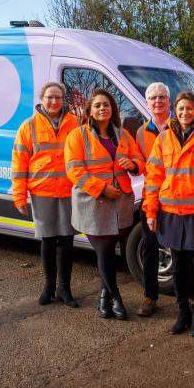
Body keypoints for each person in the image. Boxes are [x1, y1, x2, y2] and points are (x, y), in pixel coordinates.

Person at [143, 91, 194, 336]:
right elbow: (153, 178)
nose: (184, 113)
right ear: (174, 112)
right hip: (170, 212)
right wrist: (150, 210)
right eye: (180, 109)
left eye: (189, 108)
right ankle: (183, 313)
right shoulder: (163, 139)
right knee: (178, 267)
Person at [64, 88, 143, 320]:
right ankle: (116, 295)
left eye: (106, 105)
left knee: (108, 251)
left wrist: (134, 164)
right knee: (104, 250)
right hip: (93, 202)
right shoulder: (77, 136)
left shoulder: (122, 134)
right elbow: (74, 169)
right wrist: (101, 188)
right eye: (97, 105)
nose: (102, 109)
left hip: (120, 202)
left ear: (112, 109)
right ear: (90, 109)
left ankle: (103, 298)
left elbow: (139, 158)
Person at [12, 82, 80, 307]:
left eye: (58, 97)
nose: (54, 102)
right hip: (42, 191)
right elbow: (19, 164)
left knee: (67, 241)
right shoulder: (28, 126)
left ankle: (65, 290)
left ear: (64, 100)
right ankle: (49, 287)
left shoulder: (75, 123)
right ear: (42, 99)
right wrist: (19, 196)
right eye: (50, 97)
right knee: (49, 241)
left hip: (69, 191)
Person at [133, 82, 172, 317]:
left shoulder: (179, 126)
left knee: (180, 249)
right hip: (151, 197)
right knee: (150, 248)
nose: (157, 101)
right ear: (146, 103)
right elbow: (140, 164)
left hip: (178, 197)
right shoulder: (141, 132)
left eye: (161, 97)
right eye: (153, 98)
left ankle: (184, 298)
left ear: (169, 101)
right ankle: (149, 296)